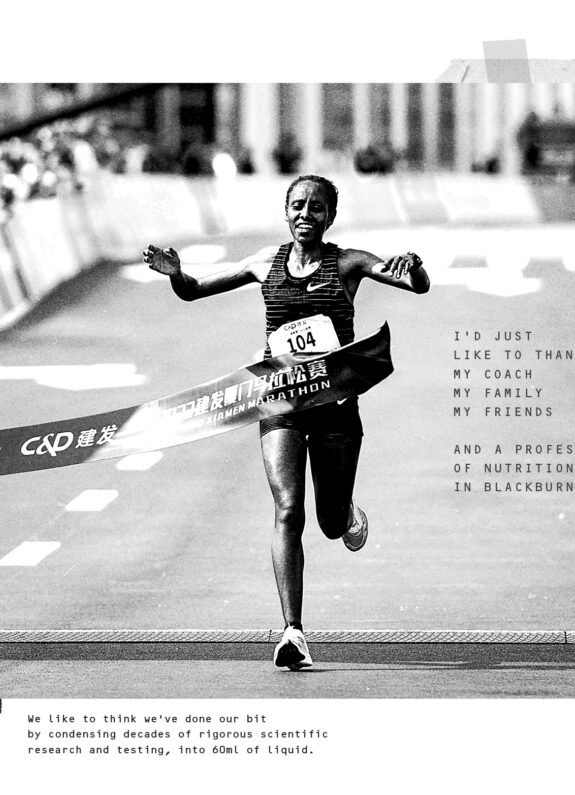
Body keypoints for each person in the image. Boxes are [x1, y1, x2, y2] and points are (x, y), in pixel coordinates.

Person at [143, 175, 430, 670]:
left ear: (330, 217)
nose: (306, 214)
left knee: (329, 520)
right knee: (288, 507)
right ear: (285, 211)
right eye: (297, 205)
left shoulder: (350, 262)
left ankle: (348, 514)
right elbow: (192, 291)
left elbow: (414, 283)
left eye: (317, 208)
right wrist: (175, 273)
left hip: (336, 406)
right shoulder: (263, 264)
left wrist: (416, 268)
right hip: (281, 404)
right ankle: (292, 631)